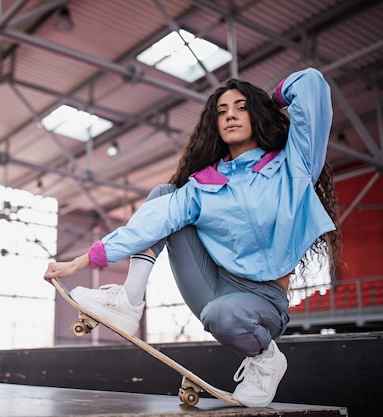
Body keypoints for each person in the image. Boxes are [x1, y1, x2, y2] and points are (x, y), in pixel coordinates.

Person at [45, 68, 341, 408]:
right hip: (212, 285)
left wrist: (270, 101)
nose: (229, 114)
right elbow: (147, 225)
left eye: (241, 107)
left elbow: (312, 84)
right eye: (221, 110)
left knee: (224, 315)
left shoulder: (294, 165)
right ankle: (129, 300)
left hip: (261, 300)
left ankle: (266, 358)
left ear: (256, 113)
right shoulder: (205, 186)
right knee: (164, 195)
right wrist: (81, 262)